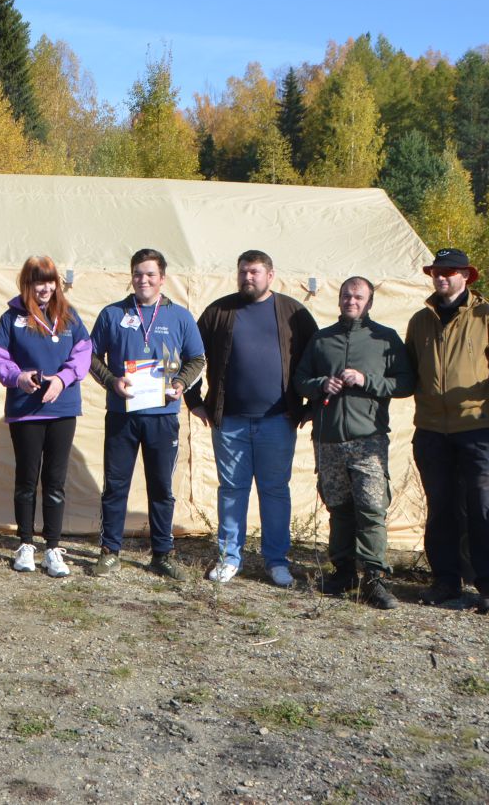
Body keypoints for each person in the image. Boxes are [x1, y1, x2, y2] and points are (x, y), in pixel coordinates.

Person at [187, 249, 318, 587]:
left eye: (255, 272)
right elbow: (192, 355)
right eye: (243, 271)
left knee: (275, 490)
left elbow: (318, 358)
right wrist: (193, 400)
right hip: (228, 420)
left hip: (278, 420)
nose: (248, 277)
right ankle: (230, 558)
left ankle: (276, 562)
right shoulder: (220, 311)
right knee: (232, 490)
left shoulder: (294, 312)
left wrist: (310, 407)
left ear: (270, 275)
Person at [404, 247, 489, 614]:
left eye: (450, 272)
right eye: (437, 271)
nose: (442, 278)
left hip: (476, 429)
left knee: (483, 506)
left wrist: (486, 403)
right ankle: (445, 580)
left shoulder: (487, 317)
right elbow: (411, 369)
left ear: (466, 276)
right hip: (432, 428)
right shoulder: (421, 320)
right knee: (441, 507)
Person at [293, 277, 414, 608]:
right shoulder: (322, 340)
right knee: (339, 507)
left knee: (372, 508)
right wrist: (320, 385)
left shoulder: (384, 340)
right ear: (339, 300)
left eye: (359, 297)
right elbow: (300, 381)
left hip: (368, 440)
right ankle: (342, 571)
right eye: (347, 296)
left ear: (370, 302)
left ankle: (373, 578)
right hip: (329, 439)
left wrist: (367, 380)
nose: (352, 301)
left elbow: (406, 383)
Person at [89, 248, 206, 579]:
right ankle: (110, 551)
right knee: (115, 485)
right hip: (122, 414)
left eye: (150, 274)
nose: (144, 279)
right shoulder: (112, 314)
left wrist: (181, 382)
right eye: (138, 273)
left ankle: (162, 554)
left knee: (161, 487)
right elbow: (90, 357)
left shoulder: (180, 317)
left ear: (162, 278)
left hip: (163, 415)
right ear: (131, 276)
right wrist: (112, 381)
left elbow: (197, 359)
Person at [0, 256, 92, 579]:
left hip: (62, 409)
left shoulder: (69, 317)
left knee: (55, 481)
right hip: (25, 412)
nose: (44, 288)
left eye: (49, 282)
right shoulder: (12, 318)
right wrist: (17, 377)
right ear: (27, 285)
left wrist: (62, 379)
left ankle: (53, 548)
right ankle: (25, 544)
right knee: (27, 480)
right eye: (37, 282)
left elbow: (84, 351)